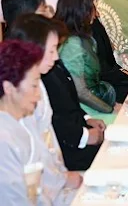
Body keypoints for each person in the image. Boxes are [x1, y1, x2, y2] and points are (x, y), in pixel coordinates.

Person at [11, 13, 103, 171]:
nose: (56, 57)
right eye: (52, 50)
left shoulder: (39, 78)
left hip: (56, 161)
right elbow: (47, 132)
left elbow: (69, 102)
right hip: (53, 161)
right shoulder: (22, 90)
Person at [7, 14, 85, 202]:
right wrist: (63, 179)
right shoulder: (20, 96)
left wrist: (63, 175)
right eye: (51, 51)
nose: (56, 57)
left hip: (56, 176)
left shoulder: (38, 83)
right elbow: (34, 156)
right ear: (33, 49)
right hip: (40, 188)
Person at [61, 0, 128, 100]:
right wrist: (125, 77)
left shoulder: (87, 10)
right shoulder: (81, 19)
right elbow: (99, 69)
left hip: (111, 79)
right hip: (100, 91)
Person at [55, 0, 121, 121]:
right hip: (84, 111)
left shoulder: (83, 36)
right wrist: (110, 109)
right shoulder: (72, 44)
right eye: (92, 4)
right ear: (82, 8)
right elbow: (81, 92)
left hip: (97, 102)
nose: (96, 11)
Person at [0, 40, 45, 205]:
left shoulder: (17, 125)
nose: (38, 96)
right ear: (9, 88)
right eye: (34, 86)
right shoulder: (3, 141)